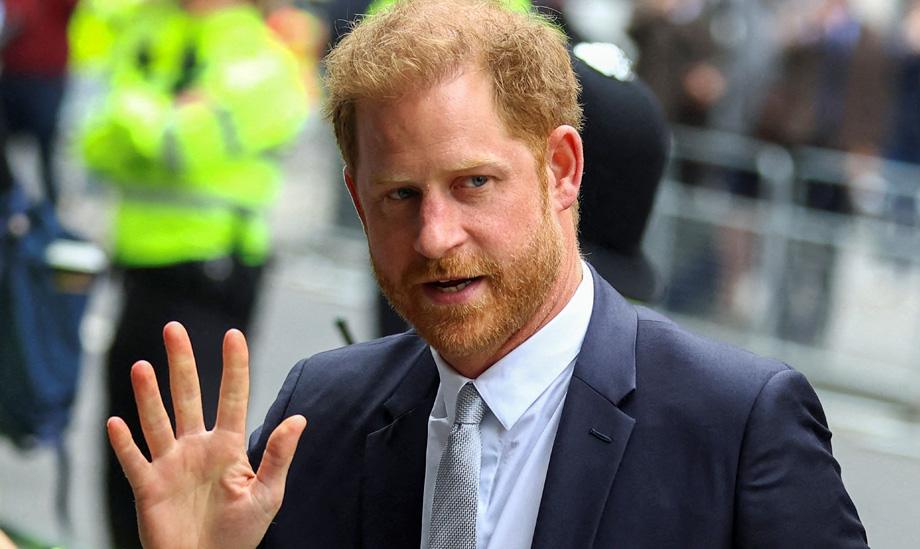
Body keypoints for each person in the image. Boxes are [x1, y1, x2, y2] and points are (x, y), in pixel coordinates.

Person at [106, 1, 868, 547]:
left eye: (474, 183)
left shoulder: (735, 424)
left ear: (562, 169)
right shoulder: (321, 412)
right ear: (358, 204)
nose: (435, 236)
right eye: (400, 195)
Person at [78, 0, 308, 546]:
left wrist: (134, 106)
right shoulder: (145, 25)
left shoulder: (261, 54)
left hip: (209, 279)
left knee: (188, 461)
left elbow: (179, 143)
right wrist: (162, 112)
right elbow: (90, 140)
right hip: (138, 272)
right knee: (128, 456)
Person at [0, 0, 77, 205]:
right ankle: (13, 203)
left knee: (46, 146)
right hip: (12, 76)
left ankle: (50, 205)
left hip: (47, 78)